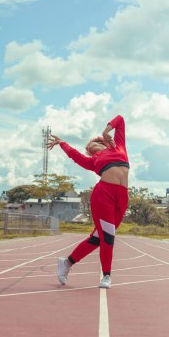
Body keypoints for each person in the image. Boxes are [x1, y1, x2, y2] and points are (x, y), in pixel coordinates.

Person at [47, 113, 129, 289]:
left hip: (122, 197)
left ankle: (66, 263)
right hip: (103, 195)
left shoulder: (118, 146)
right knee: (108, 236)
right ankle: (106, 276)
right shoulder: (92, 161)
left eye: (94, 142)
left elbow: (120, 119)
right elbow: (74, 154)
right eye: (88, 146)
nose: (90, 145)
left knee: (97, 238)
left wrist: (106, 130)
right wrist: (62, 143)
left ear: (104, 143)